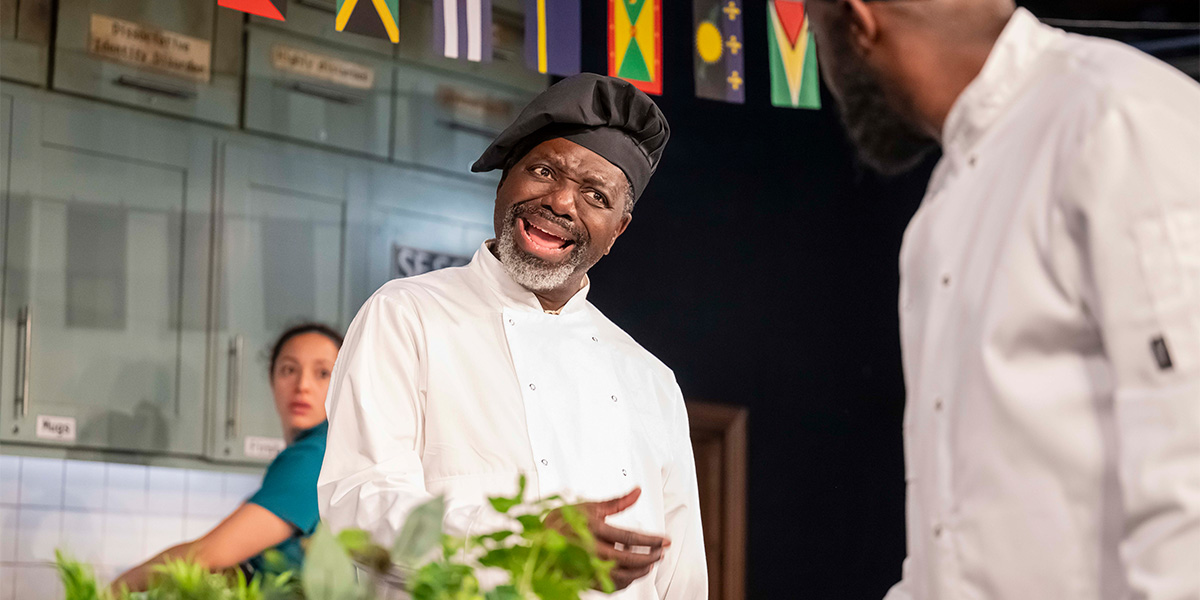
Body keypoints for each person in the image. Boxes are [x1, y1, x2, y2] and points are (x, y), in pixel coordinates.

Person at [804, 1, 1200, 598]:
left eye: (813, 35)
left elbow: (1190, 471)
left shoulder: (1115, 116)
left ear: (857, 25)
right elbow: (958, 545)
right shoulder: (937, 219)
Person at [318, 73, 706, 599]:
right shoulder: (407, 315)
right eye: (544, 171)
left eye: (595, 195)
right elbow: (358, 508)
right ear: (505, 179)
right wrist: (519, 537)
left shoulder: (651, 380)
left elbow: (681, 577)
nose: (562, 202)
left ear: (618, 230)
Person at [112, 323, 342, 590]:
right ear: (272, 379)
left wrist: (113, 590)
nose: (303, 385)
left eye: (323, 373)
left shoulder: (314, 457)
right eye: (289, 370)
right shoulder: (318, 451)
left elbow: (208, 555)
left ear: (341, 385)